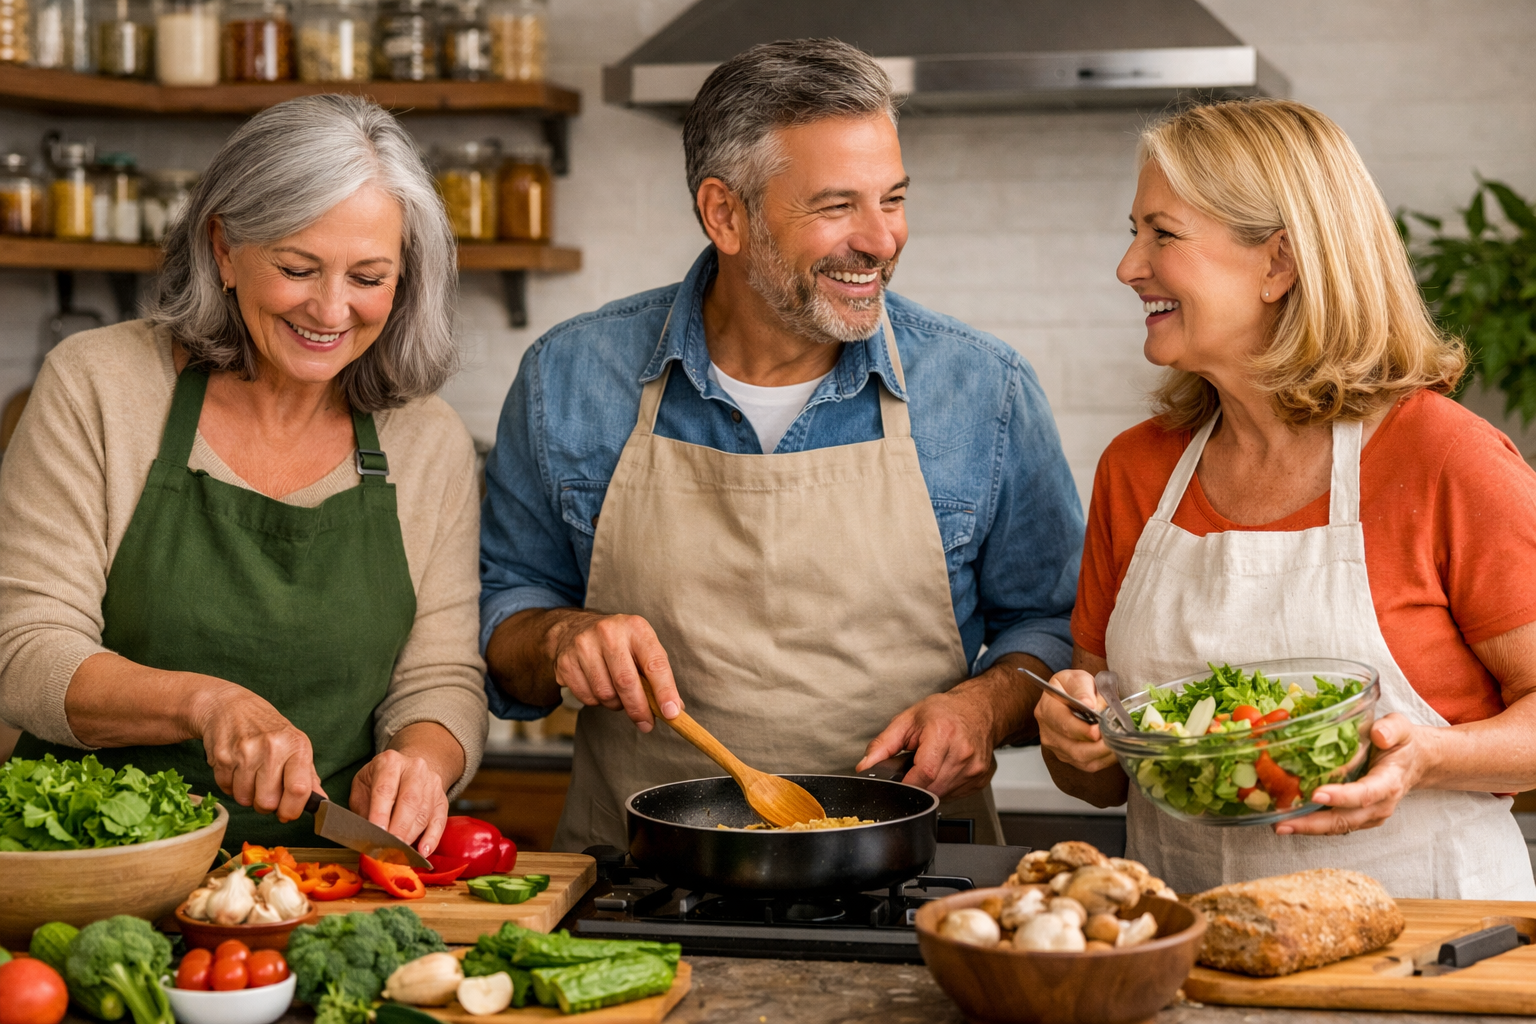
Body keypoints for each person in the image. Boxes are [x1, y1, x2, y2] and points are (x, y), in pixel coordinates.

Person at [480, 39, 1083, 852]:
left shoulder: (985, 390)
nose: (881, 240)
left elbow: (1049, 625)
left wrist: (983, 706)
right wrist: (556, 638)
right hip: (646, 877)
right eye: (837, 207)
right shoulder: (570, 376)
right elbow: (504, 610)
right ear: (724, 213)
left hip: (914, 875)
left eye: (893, 198)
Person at [1037, 98, 1536, 899]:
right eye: (1133, 232)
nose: (1129, 265)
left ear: (1279, 263)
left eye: (1162, 233)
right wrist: (1075, 737)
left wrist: (1431, 756)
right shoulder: (1136, 472)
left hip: (1426, 948)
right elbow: (1104, 778)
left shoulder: (1443, 457)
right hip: (1189, 947)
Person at [0, 95, 488, 854]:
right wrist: (205, 704)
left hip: (323, 878)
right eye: (298, 268)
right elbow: (27, 650)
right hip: (91, 864)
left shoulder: (428, 441)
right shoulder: (98, 386)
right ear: (223, 248)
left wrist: (422, 762)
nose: (331, 309)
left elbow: (440, 677)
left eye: (369, 277)